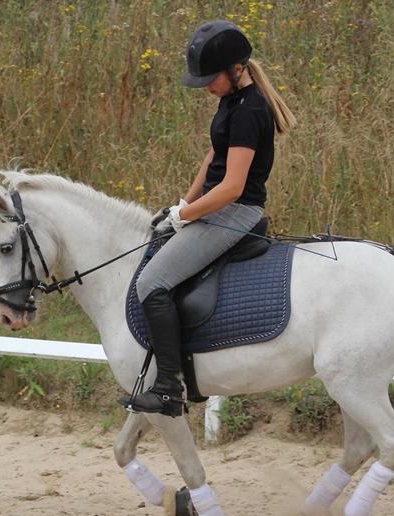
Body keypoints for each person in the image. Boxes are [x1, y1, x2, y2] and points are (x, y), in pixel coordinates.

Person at [124, 19, 296, 416]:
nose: (205, 87)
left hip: (235, 212)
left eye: (209, 79)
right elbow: (213, 157)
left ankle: (169, 387)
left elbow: (233, 186)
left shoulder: (251, 109)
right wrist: (182, 204)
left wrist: (187, 214)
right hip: (215, 206)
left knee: (152, 282)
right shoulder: (231, 101)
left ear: (236, 70)